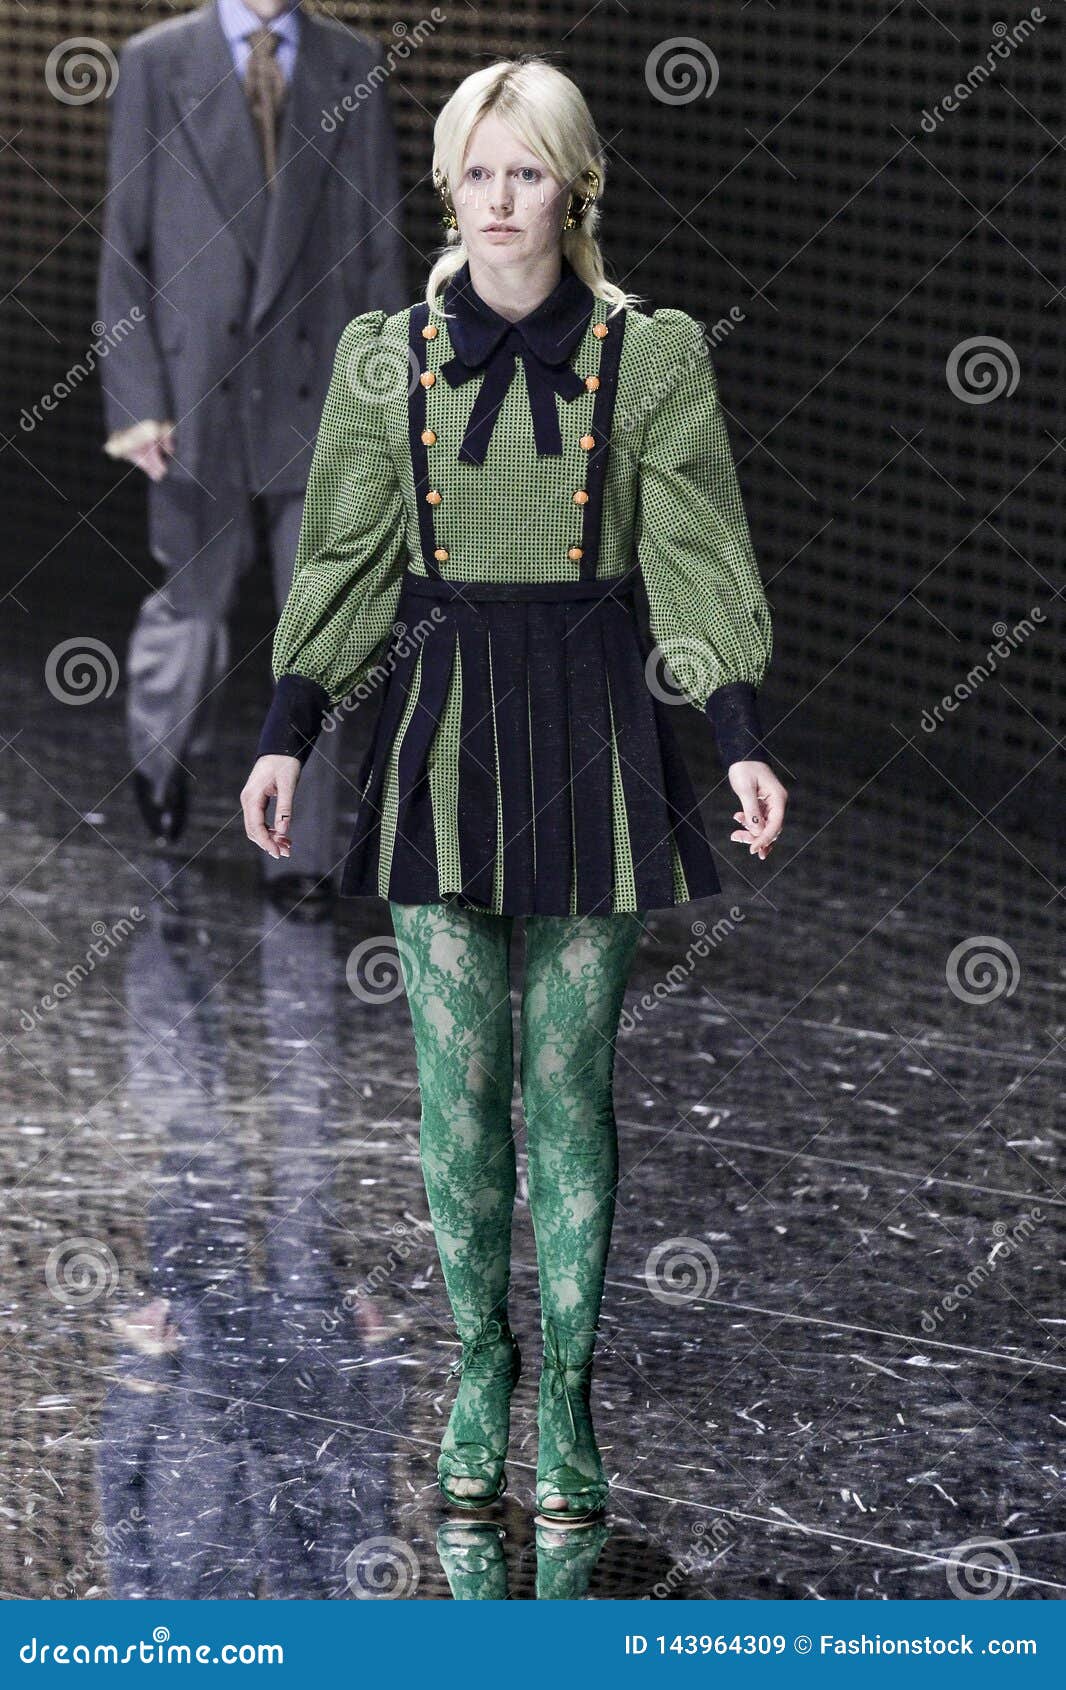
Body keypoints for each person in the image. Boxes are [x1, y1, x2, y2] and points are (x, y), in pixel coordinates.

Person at [241, 55, 788, 1522]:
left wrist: (735, 729)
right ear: (447, 186)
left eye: (526, 170)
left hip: (599, 730)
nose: (498, 200)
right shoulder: (385, 358)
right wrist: (287, 727)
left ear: (574, 186)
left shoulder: (647, 355)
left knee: (569, 1089)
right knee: (452, 1090)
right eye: (476, 172)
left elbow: (690, 549)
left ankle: (570, 1402)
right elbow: (349, 558)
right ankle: (479, 1370)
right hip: (436, 732)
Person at [97, 0, 407, 918]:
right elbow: (126, 247)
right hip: (200, 398)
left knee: (323, 629)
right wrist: (137, 401)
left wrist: (391, 401)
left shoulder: (353, 62)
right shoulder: (157, 62)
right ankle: (159, 760)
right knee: (191, 607)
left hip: (320, 395)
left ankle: (298, 856)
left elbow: (381, 245)